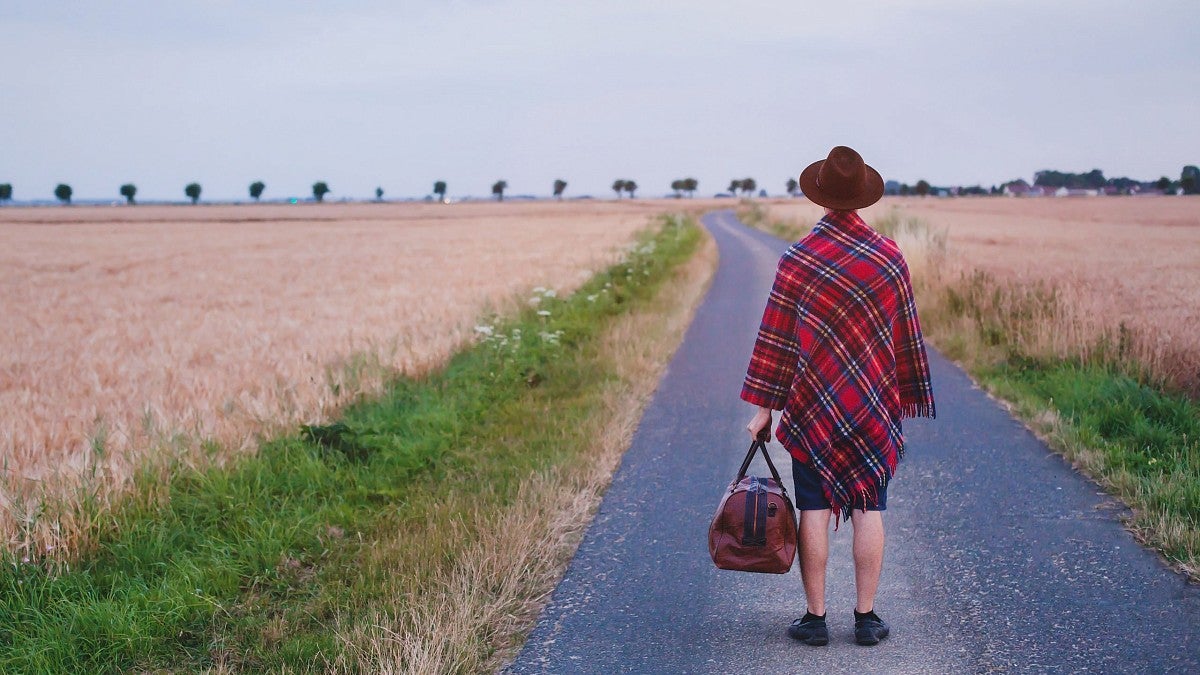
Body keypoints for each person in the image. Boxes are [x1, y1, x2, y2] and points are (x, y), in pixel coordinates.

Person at [741, 146, 936, 647]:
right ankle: (867, 619)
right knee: (870, 506)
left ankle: (816, 619)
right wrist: (900, 396)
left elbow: (776, 339)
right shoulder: (890, 258)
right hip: (872, 406)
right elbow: (905, 337)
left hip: (813, 409)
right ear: (863, 198)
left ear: (821, 196)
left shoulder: (799, 258)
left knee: (814, 508)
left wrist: (764, 408)